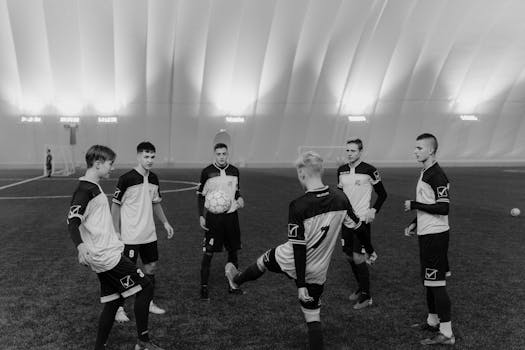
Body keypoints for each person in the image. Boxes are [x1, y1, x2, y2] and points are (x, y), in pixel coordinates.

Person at [225, 151, 365, 350]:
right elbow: (359, 227)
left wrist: (300, 285)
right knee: (312, 317)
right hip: (318, 269)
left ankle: (236, 280)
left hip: (291, 259)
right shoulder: (341, 198)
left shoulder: (299, 205)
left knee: (264, 261)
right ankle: (236, 280)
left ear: (302, 173)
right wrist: (369, 248)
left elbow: (299, 249)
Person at [67, 145, 164, 350]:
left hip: (105, 253)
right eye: (110, 164)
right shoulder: (85, 191)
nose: (112, 168)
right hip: (106, 256)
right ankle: (143, 342)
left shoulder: (94, 186)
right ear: (98, 163)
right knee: (146, 287)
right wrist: (80, 246)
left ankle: (99, 347)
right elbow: (72, 222)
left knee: (112, 303)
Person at [111, 142, 174, 323]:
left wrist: (165, 222)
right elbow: (115, 205)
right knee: (126, 272)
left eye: (152, 157)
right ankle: (118, 308)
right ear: (138, 157)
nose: (150, 160)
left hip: (149, 234)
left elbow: (156, 202)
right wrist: (116, 231)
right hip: (130, 235)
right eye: (146, 157)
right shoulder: (126, 179)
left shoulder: (154, 178)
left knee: (151, 267)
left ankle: (148, 302)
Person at [404, 133, 455, 346]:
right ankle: (433, 321)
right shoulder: (425, 171)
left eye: (419, 148)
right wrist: (415, 223)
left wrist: (415, 205)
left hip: (436, 236)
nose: (415, 151)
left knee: (437, 283)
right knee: (429, 281)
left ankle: (447, 333)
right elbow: (429, 201)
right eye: (415, 148)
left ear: (431, 150)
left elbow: (444, 207)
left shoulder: (436, 175)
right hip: (427, 233)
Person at [337, 138, 387, 309]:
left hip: (361, 220)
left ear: (360, 152)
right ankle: (360, 287)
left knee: (359, 256)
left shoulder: (369, 171)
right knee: (348, 255)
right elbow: (340, 195)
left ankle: (366, 296)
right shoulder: (341, 171)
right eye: (348, 151)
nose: (350, 154)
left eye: (353, 151)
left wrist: (373, 210)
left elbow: (383, 194)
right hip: (345, 220)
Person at [197, 143, 244, 300]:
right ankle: (204, 288)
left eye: (224, 153)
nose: (222, 157)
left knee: (233, 251)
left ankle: (233, 285)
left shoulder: (234, 171)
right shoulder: (207, 172)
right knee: (208, 253)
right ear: (214, 155)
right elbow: (200, 195)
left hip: (231, 217)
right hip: (213, 218)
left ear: (227, 154)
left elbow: (237, 191)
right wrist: (201, 215)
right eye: (218, 154)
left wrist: (240, 198)